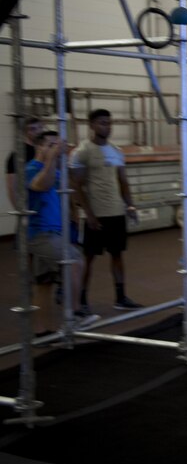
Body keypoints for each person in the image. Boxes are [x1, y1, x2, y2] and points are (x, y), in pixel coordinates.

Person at [27, 131, 100, 335]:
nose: (55, 149)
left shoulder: (56, 170)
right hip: (40, 233)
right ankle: (74, 315)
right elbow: (42, 184)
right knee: (76, 261)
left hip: (56, 232)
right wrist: (51, 157)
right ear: (39, 147)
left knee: (44, 283)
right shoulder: (32, 168)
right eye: (50, 145)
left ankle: (41, 331)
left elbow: (69, 187)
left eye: (56, 145)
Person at [69, 109, 142, 312]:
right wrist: (89, 214)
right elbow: (76, 186)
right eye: (102, 123)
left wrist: (130, 205)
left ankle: (120, 297)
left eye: (109, 123)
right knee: (88, 258)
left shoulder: (116, 151)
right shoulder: (81, 152)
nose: (107, 127)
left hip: (116, 213)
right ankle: (81, 299)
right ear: (91, 125)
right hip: (96, 215)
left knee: (117, 255)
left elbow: (123, 181)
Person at [6, 116, 43, 208]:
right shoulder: (17, 155)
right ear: (26, 132)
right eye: (33, 129)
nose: (38, 132)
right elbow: (12, 186)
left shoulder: (44, 151)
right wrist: (20, 210)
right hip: (30, 204)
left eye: (40, 128)